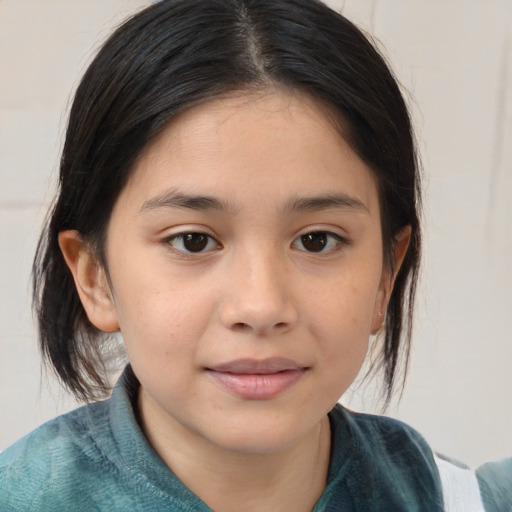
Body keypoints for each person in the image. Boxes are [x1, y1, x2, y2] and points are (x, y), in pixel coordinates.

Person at [0, 0, 508, 510]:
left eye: (317, 240)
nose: (261, 307)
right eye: (193, 240)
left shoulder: (459, 500)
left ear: (386, 275)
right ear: (94, 277)